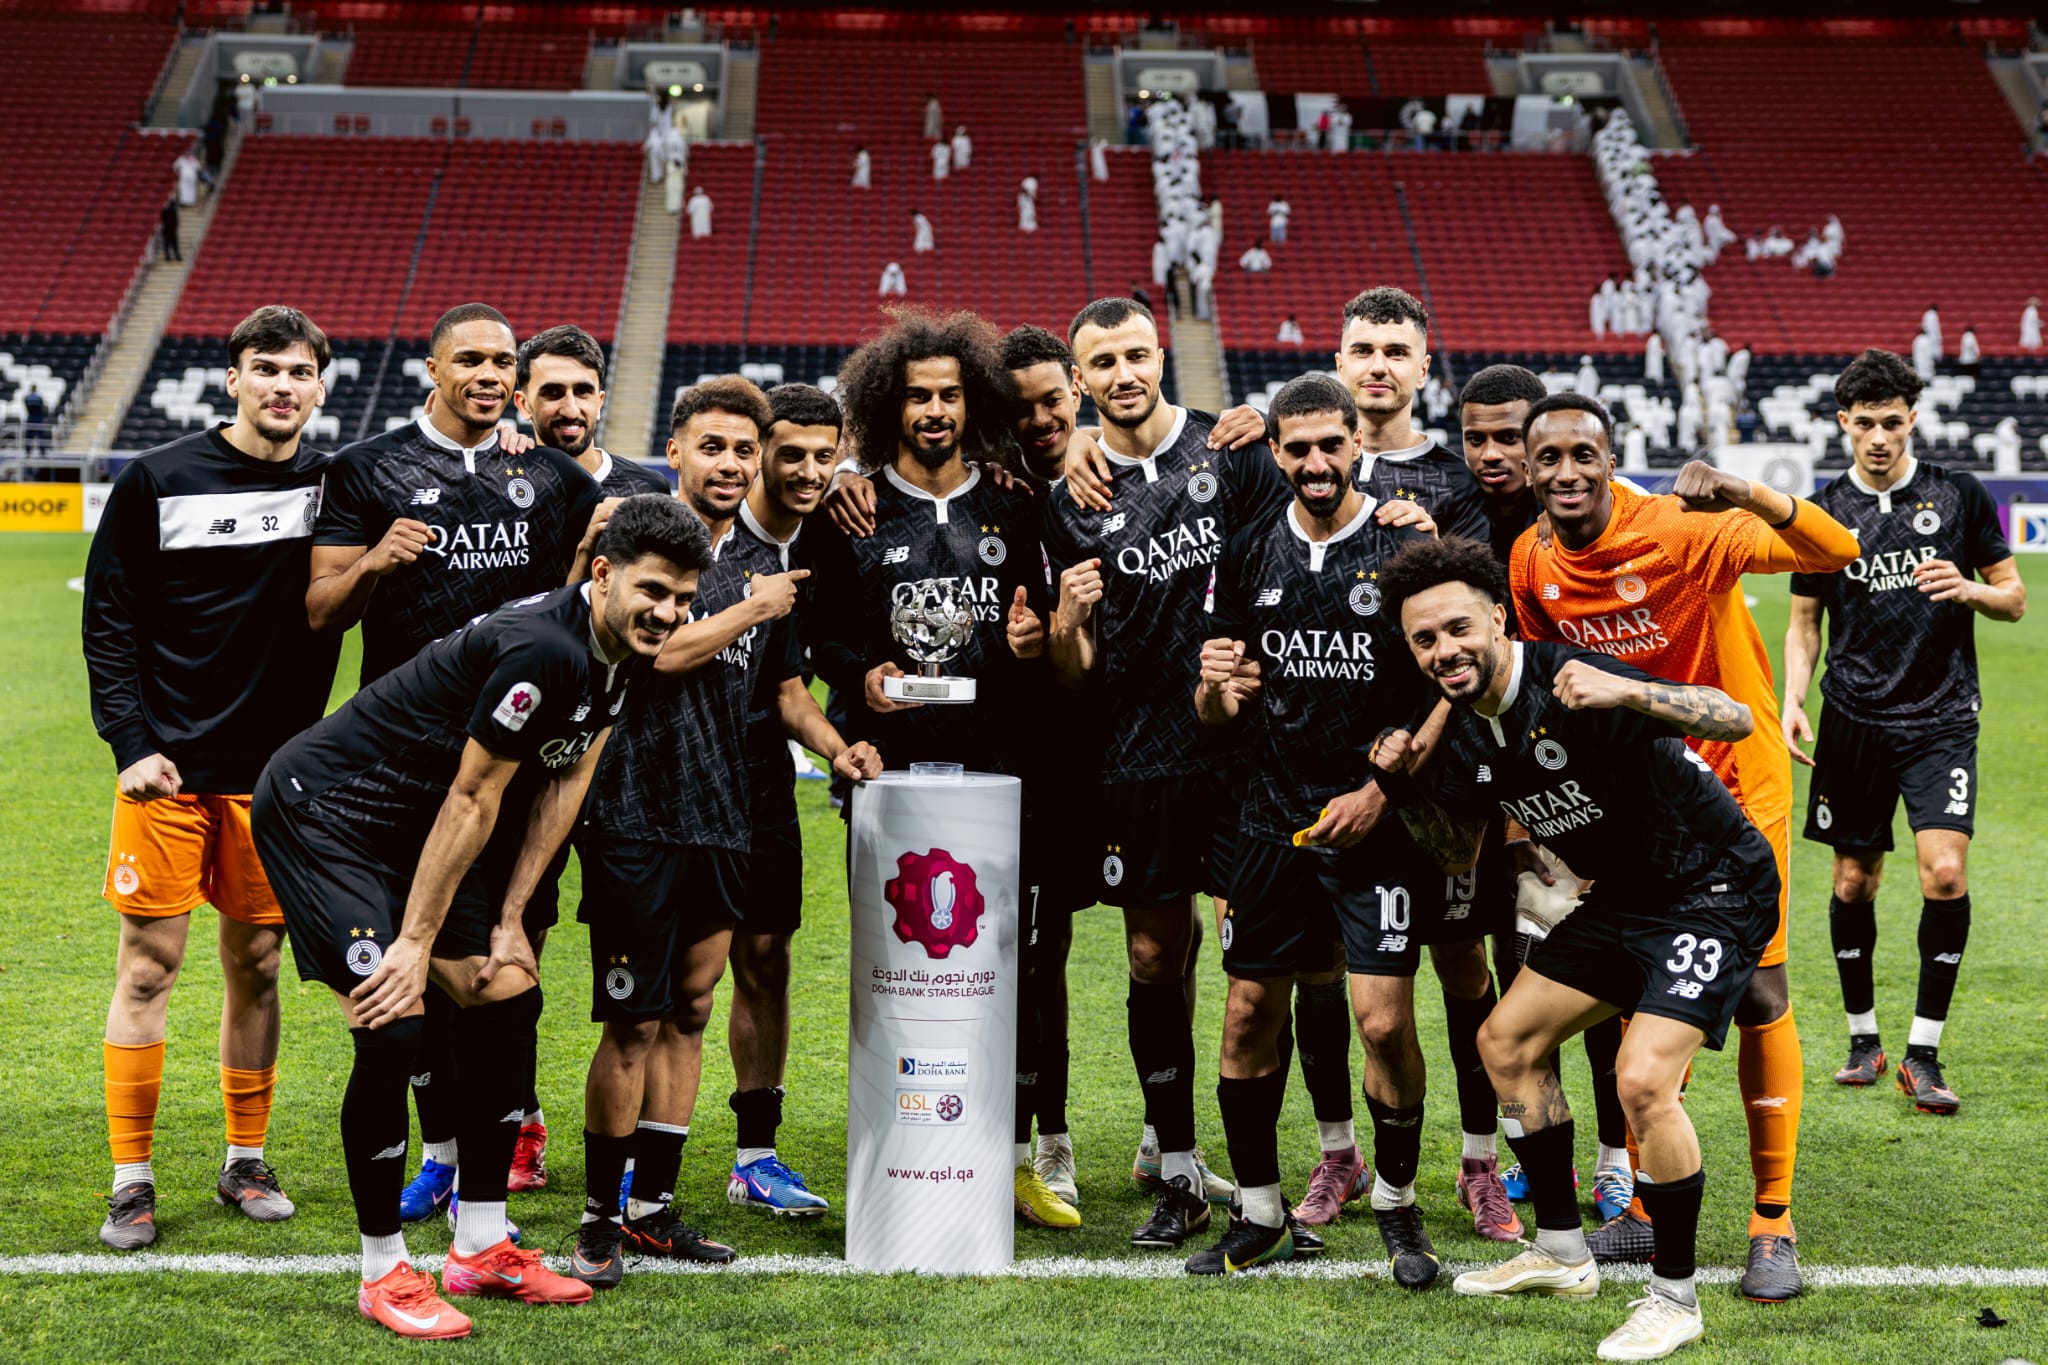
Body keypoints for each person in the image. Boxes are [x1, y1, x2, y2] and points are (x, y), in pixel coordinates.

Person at [252, 494, 710, 1337]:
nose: (667, 613)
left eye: (682, 599)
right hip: (328, 812)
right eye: (653, 591)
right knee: (393, 1019)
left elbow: (569, 777)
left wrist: (510, 916)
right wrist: (414, 943)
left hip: (417, 828)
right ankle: (383, 1270)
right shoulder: (544, 647)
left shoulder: (622, 649)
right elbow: (474, 796)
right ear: (602, 573)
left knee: (507, 989)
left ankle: (480, 1245)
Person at [1375, 536, 1778, 1363]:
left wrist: (1627, 689)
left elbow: (1735, 717)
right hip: (1624, 896)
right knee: (1504, 1041)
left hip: (1715, 884)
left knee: (1642, 1078)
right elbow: (1454, 852)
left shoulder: (1569, 676)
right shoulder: (1461, 731)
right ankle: (1562, 1251)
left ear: (1497, 617)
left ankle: (1674, 1299)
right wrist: (1398, 786)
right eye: (1425, 639)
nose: (1445, 650)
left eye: (1458, 628)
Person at [1507, 391, 1860, 1303]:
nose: (1567, 473)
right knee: (1640, 983)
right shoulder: (1530, 559)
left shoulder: (1681, 528)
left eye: (1585, 454)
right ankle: (1646, 1204)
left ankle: (1773, 1221)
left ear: (1612, 455)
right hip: (1638, 803)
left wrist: (1748, 492)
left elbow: (1836, 550)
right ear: (1530, 471)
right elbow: (1546, 688)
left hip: (1736, 786)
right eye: (1549, 458)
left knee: (1761, 991)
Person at [572, 381, 878, 1286]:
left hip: (723, 815)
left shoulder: (757, 559)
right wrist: (752, 605)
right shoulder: (645, 545)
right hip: (635, 813)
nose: (732, 464)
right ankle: (598, 1220)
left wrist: (839, 746)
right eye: (714, 447)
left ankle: (653, 1208)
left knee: (692, 1008)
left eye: (745, 450)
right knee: (632, 1021)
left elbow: (782, 690)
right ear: (675, 451)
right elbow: (656, 651)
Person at [1190, 375, 1490, 1282]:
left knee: (1384, 1021)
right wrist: (1217, 689)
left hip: (1378, 824)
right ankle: (1261, 1213)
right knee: (1247, 1013)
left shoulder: (1403, 547)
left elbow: (1451, 684)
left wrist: (1380, 790)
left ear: (1358, 444)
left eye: (1332, 444)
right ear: (1277, 452)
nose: (1316, 462)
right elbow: (1217, 701)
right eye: (1299, 447)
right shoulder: (1248, 548)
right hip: (1271, 820)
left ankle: (1396, 1200)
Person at [308, 303, 604, 1221]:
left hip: (514, 759)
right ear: (431, 369)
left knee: (511, 955)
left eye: (502, 362)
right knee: (420, 961)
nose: (487, 374)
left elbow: (610, 549)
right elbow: (320, 609)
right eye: (468, 359)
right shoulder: (368, 468)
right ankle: (441, 1152)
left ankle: (505, 1142)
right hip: (407, 766)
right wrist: (374, 564)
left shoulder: (547, 474)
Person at [804, 310, 1076, 1227]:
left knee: (1019, 965)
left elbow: (1048, 619)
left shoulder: (1015, 501)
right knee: (902, 965)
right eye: (917, 395)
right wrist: (860, 675)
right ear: (890, 404)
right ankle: (902, 1139)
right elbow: (822, 636)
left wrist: (1033, 640)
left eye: (950, 396)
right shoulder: (850, 509)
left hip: (1004, 773)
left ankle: (1022, 1152)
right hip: (890, 779)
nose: (934, 410)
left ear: (972, 405)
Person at [82, 306, 341, 1252]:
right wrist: (128, 743)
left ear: (321, 387)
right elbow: (108, 619)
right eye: (266, 368)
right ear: (232, 378)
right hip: (167, 772)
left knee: (258, 965)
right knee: (148, 966)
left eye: (300, 371)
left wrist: (512, 433)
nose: (283, 385)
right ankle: (132, 1178)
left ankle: (245, 1159)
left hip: (273, 779)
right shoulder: (158, 478)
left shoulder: (336, 484)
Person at [1042, 297, 1294, 1245]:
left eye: (1137, 354)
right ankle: (1177, 1163)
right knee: (1153, 956)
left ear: (1162, 355)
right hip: (1138, 755)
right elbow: (1076, 671)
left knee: (1255, 966)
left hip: (1245, 752)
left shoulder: (1230, 448)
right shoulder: (1071, 500)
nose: (1124, 374)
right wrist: (1068, 620)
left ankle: (1272, 1180)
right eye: (1103, 362)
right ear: (1080, 380)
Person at [1783, 349, 2025, 1114]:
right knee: (1854, 880)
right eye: (1866, 423)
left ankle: (1923, 1052)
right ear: (1843, 423)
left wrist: (1970, 590)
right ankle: (1864, 1039)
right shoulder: (1821, 513)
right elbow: (1803, 622)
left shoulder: (1959, 495)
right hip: (1852, 718)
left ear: (1913, 418)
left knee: (1944, 873)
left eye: (1893, 422)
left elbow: (2014, 597)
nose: (1880, 437)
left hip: (1942, 718)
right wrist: (1794, 698)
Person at [721, 383, 872, 1213]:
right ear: (757, 453)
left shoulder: (828, 537)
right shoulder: (709, 530)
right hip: (674, 781)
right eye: (791, 454)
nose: (809, 471)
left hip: (763, 779)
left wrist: (836, 746)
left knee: (766, 957)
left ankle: (755, 1154)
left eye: (825, 455)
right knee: (676, 976)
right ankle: (633, 1155)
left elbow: (787, 685)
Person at [516, 325, 670, 501]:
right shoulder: (502, 489)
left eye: (583, 392)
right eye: (553, 393)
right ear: (524, 405)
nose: (571, 411)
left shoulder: (647, 490)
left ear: (599, 402)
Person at [21, 384, 48, 455]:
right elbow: (42, 407)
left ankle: (28, 451)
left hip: (30, 418)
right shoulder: (39, 397)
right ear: (36, 389)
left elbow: (26, 405)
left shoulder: (27, 397)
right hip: (38, 418)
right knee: (40, 436)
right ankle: (42, 451)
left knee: (29, 435)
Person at [159, 197, 181, 262]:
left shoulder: (164, 211)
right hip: (172, 231)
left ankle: (167, 257)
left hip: (166, 230)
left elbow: (162, 220)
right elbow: (176, 222)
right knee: (175, 245)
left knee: (166, 245)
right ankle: (177, 256)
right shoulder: (173, 211)